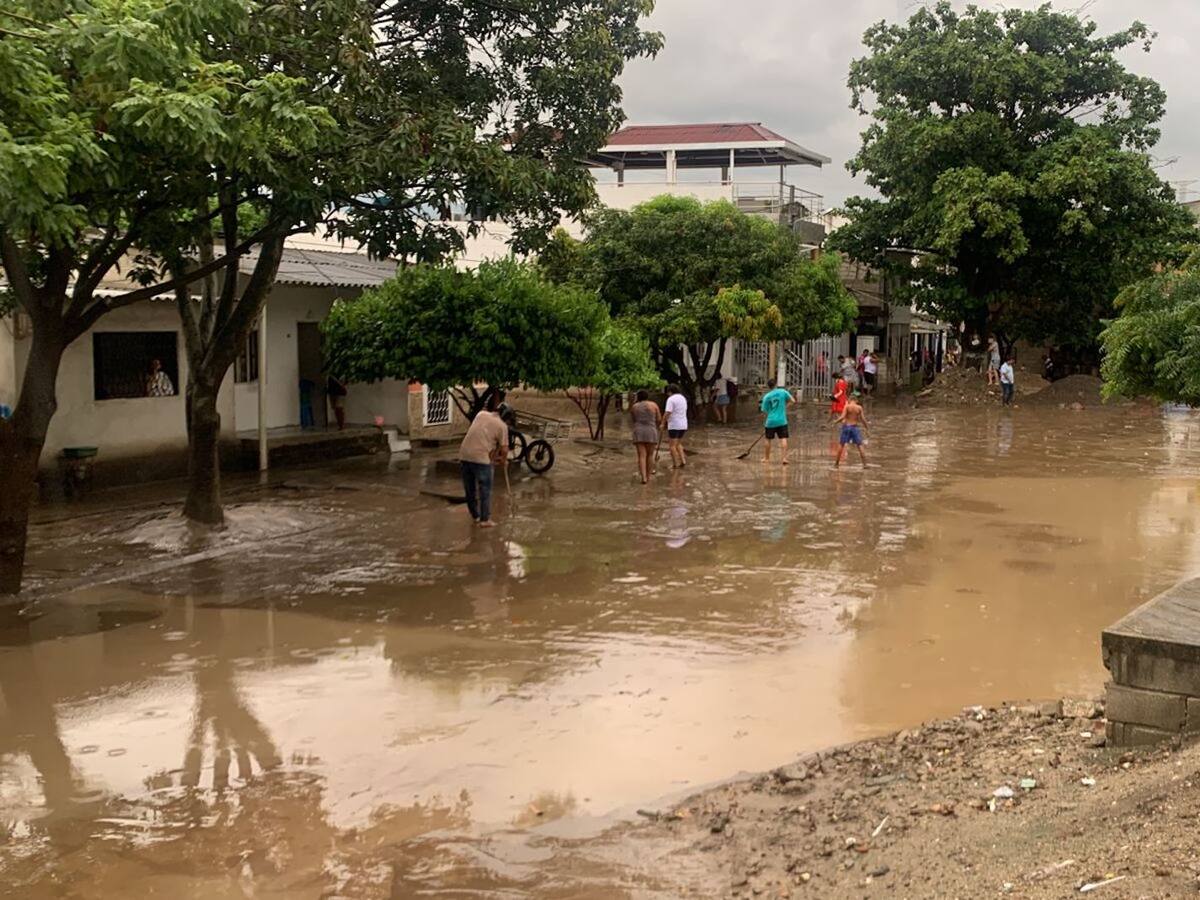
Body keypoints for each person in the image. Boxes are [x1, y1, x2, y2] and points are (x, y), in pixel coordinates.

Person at [459, 393, 508, 528]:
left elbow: (485, 438)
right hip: (480, 459)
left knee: (470, 490)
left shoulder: (481, 414)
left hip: (464, 455)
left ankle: (475, 516)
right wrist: (503, 461)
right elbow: (504, 450)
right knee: (485, 489)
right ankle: (485, 520)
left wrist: (495, 455)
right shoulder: (502, 426)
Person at [759, 378, 794, 465]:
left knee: (768, 439)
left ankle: (766, 458)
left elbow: (764, 410)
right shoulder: (783, 392)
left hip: (770, 421)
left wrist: (767, 418)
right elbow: (793, 401)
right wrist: (785, 407)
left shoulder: (767, 396)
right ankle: (784, 458)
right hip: (782, 420)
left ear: (768, 386)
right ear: (776, 384)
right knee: (783, 438)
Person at [629, 389, 661, 484]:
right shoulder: (654, 405)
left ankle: (643, 478)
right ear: (647, 396)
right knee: (650, 455)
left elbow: (633, 419)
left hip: (639, 431)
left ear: (638, 397)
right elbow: (659, 419)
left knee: (642, 456)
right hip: (651, 431)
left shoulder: (634, 407)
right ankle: (648, 476)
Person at [834, 392, 869, 467]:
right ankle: (865, 464)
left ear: (849, 400)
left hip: (846, 427)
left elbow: (842, 417)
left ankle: (836, 464)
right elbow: (863, 419)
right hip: (855, 428)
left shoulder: (847, 406)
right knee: (860, 445)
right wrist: (866, 427)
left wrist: (835, 422)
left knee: (841, 445)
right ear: (856, 400)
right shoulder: (859, 407)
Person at [661, 384, 688, 469]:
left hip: (674, 424)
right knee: (678, 443)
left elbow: (667, 412)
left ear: (670, 392)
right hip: (683, 424)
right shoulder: (683, 398)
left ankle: (675, 463)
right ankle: (683, 461)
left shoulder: (671, 399)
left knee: (672, 446)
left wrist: (662, 423)